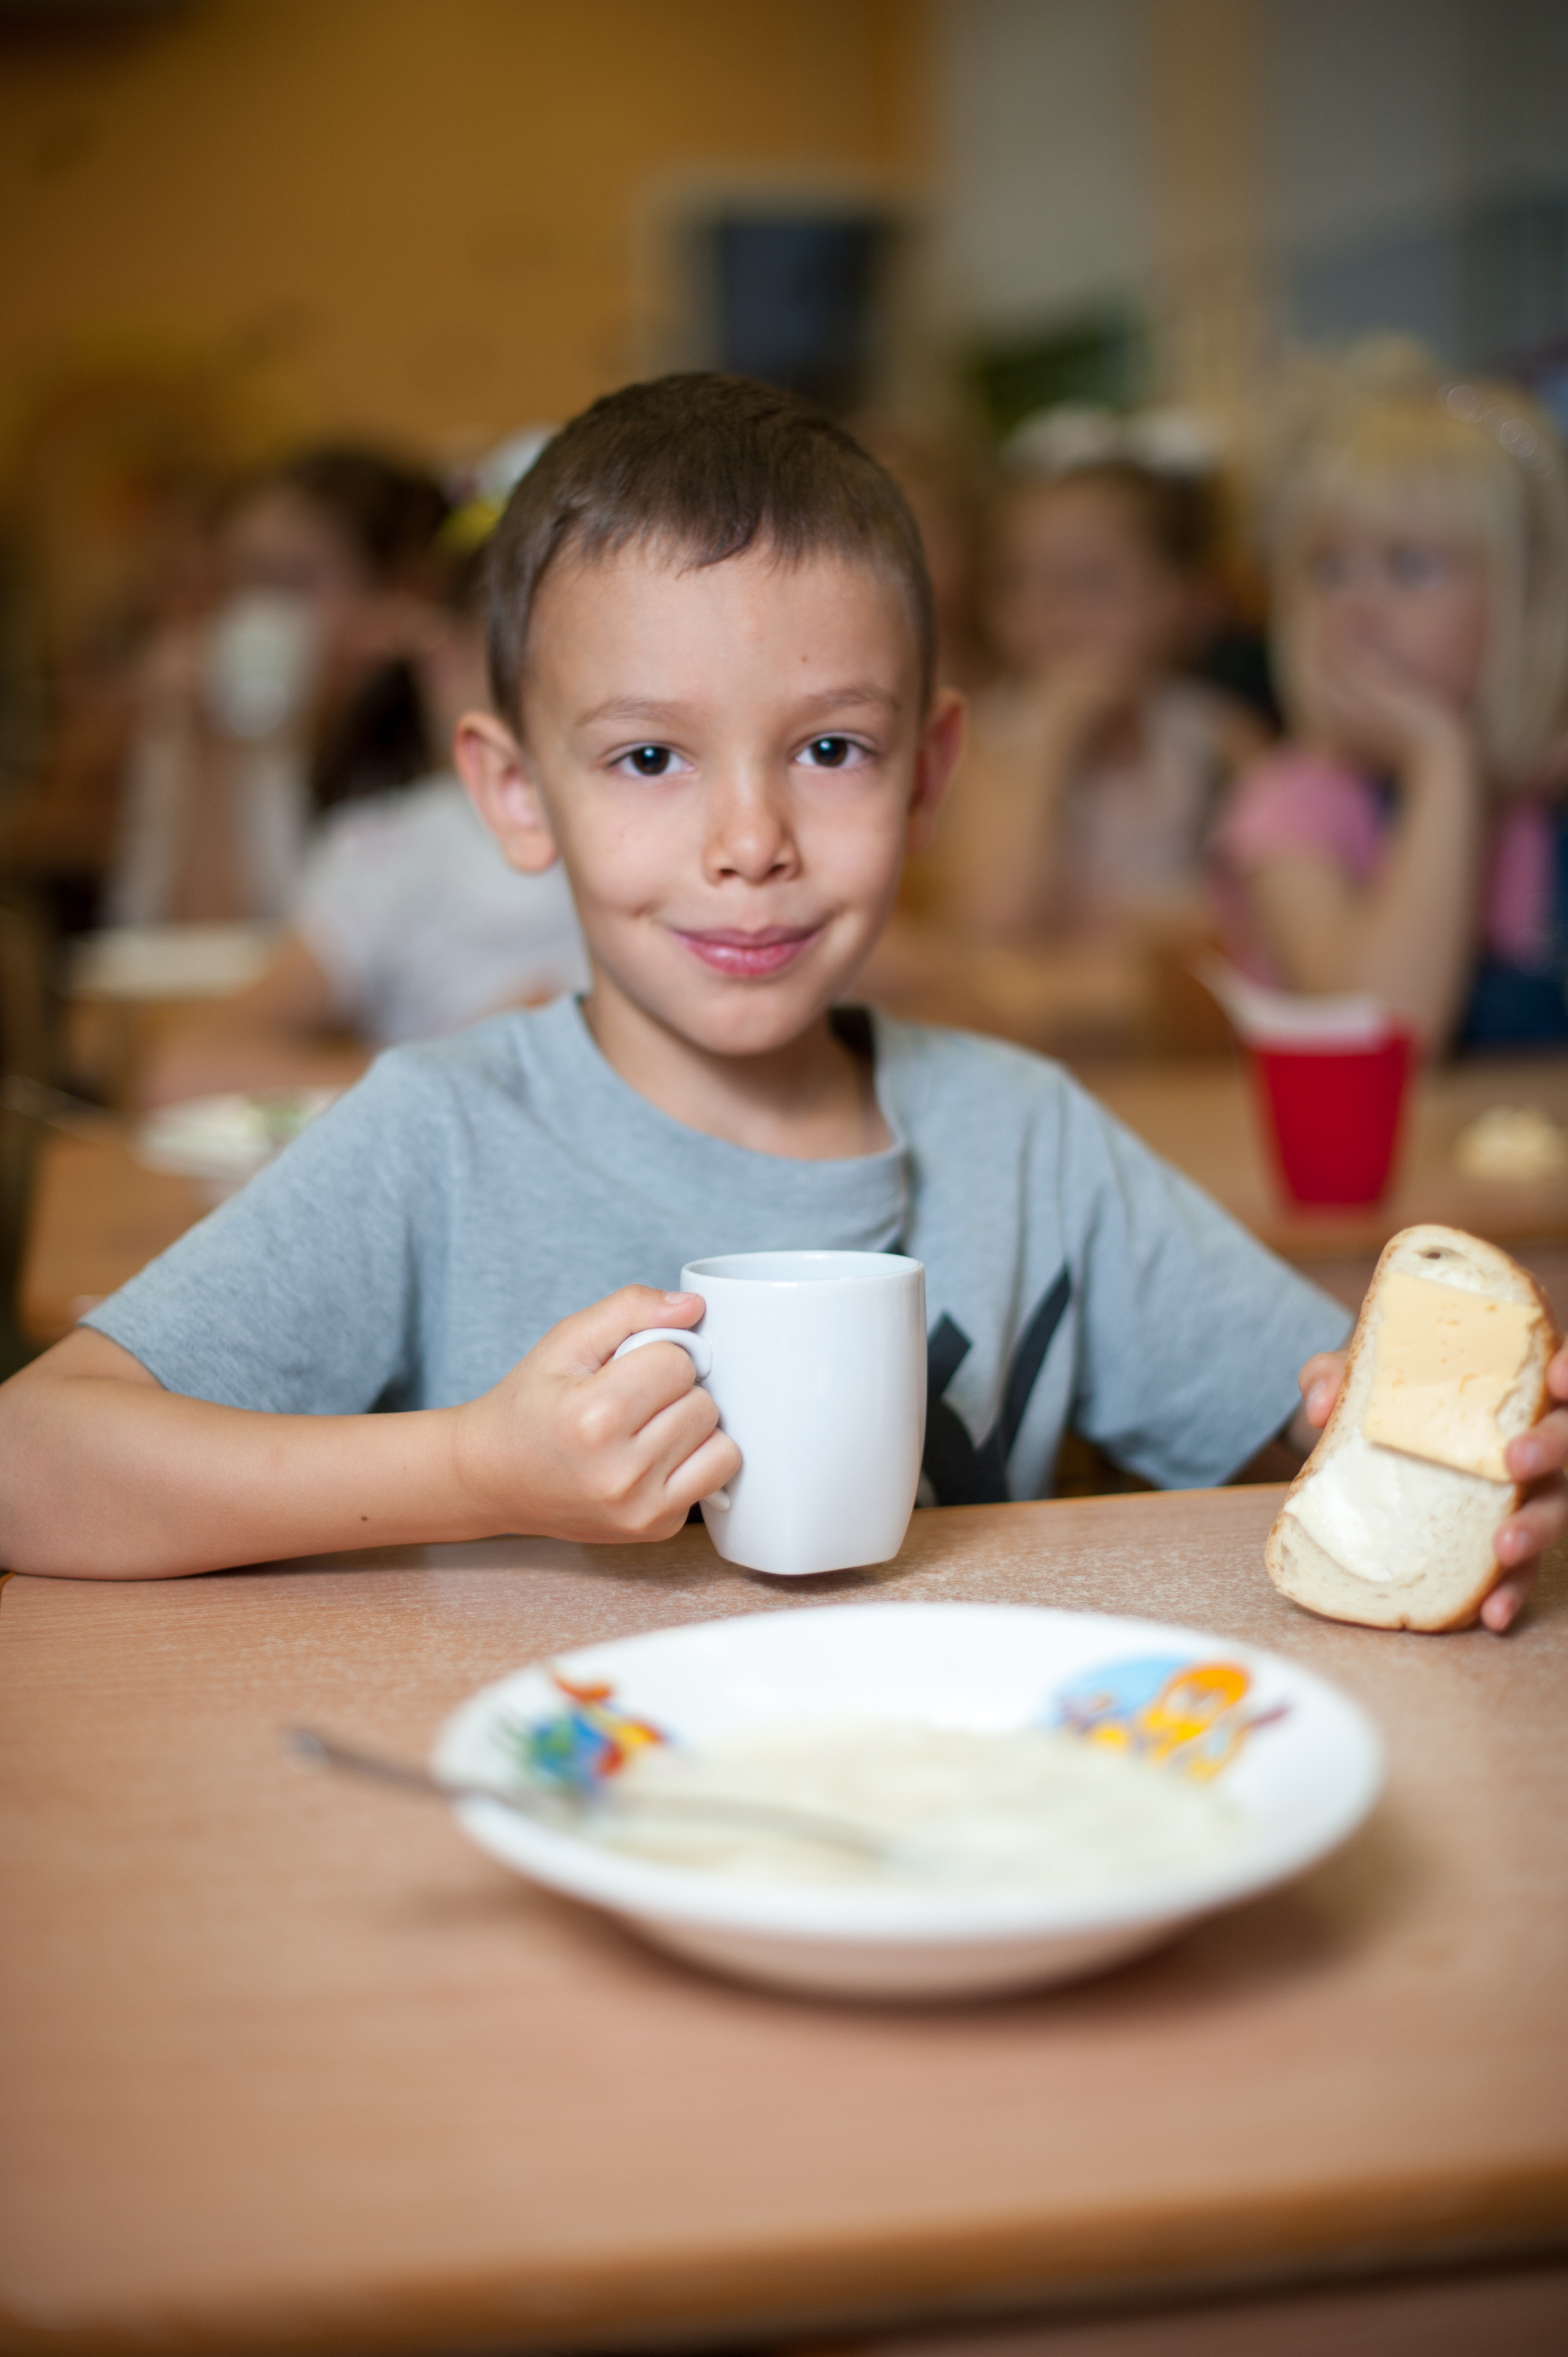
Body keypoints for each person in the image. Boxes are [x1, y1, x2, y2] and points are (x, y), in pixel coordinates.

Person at [1, 374, 1562, 1629]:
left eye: (828, 749)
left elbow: (1309, 1425)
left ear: (928, 771)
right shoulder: (440, 1139)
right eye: (646, 757)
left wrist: (1458, 1461)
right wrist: (472, 1464)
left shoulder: (1024, 1143)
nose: (748, 845)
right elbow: (33, 1463)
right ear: (513, 790)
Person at [140, 544, 588, 1106]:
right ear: (442, 659)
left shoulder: (693, 841)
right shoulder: (392, 852)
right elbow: (187, 1070)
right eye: (532, 657)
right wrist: (461, 1069)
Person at [1210, 361, 1568, 1051]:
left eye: (1410, 566)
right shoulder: (1290, 804)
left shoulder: (1543, 793)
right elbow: (1384, 1035)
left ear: (1528, 596)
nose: (1356, 609)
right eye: (1328, 568)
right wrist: (1440, 759)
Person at [924, 433, 1265, 947]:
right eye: (1017, 581)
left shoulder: (1217, 737)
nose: (1047, 612)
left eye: (1090, 581)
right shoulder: (983, 741)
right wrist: (1054, 740)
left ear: (1183, 600)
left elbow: (1273, 908)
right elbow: (996, 922)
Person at [109, 446, 451, 926]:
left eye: (297, 581)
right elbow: (199, 941)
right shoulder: (206, 713)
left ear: (396, 593)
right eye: (244, 579)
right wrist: (214, 744)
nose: (260, 611)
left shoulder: (434, 729)